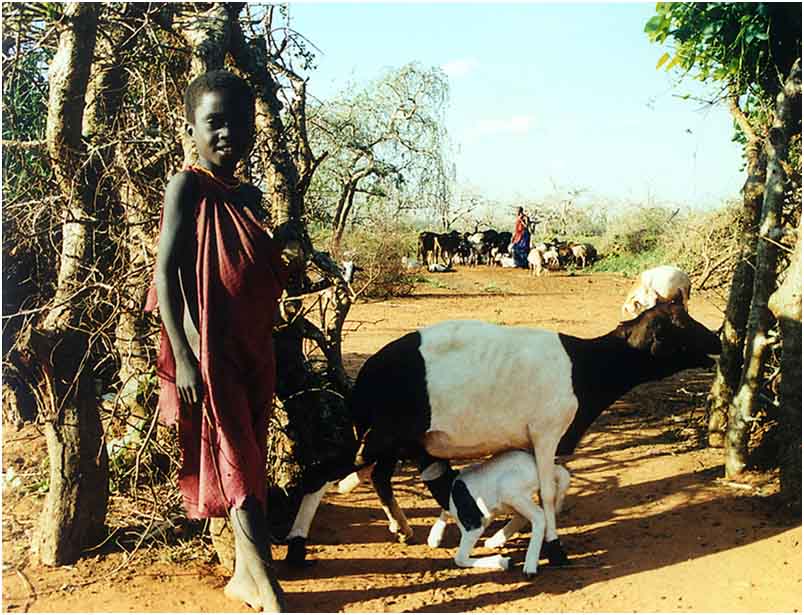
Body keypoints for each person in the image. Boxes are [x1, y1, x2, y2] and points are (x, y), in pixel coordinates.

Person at [146, 70, 288, 612]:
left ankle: (247, 576)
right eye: (215, 123)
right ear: (193, 129)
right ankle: (265, 585)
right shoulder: (188, 185)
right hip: (210, 351)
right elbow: (165, 271)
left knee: (250, 452)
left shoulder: (248, 195)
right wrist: (184, 358)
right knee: (239, 458)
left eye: (239, 122)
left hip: (256, 348)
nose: (228, 133)